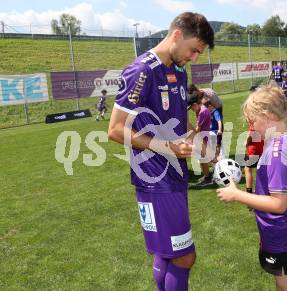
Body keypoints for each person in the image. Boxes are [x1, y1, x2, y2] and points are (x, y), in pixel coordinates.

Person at [107, 12, 214, 291]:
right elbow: (115, 130)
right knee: (185, 256)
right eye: (194, 50)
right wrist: (166, 147)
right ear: (177, 35)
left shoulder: (179, 71)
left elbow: (179, 121)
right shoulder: (141, 71)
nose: (194, 57)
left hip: (174, 177)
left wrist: (199, 141)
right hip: (155, 180)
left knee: (167, 253)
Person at [217, 85, 287, 291]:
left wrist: (237, 194)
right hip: (283, 230)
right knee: (283, 283)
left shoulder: (276, 151)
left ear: (267, 115)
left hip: (283, 233)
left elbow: (279, 203)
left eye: (252, 121)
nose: (251, 127)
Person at [188, 95, 214, 186]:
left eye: (191, 107)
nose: (191, 109)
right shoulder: (201, 110)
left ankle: (208, 179)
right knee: (203, 159)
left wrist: (188, 126)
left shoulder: (202, 112)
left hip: (202, 137)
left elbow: (197, 130)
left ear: (195, 104)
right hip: (202, 136)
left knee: (204, 159)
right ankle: (207, 176)